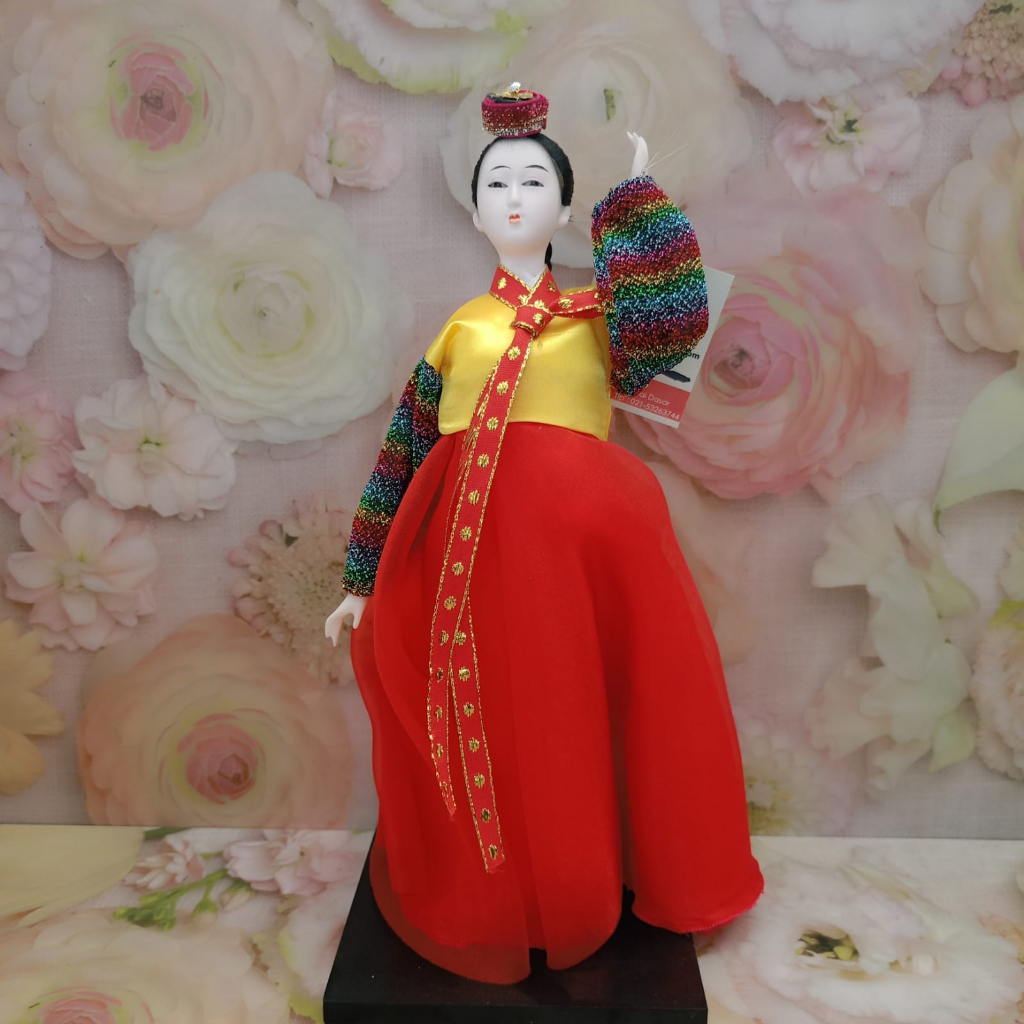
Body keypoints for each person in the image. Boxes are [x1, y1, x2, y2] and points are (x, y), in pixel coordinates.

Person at [326, 85, 762, 985]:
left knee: (582, 712)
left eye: (534, 182)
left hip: (588, 554)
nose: (515, 197)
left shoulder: (603, 317)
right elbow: (404, 449)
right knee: (496, 716)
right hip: (470, 558)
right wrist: (361, 578)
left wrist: (637, 204)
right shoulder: (461, 329)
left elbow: (673, 328)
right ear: (476, 210)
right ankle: (506, 891)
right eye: (497, 184)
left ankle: (589, 878)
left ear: (565, 207)